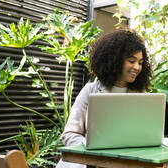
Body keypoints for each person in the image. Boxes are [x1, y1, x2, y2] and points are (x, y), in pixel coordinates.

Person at [56, 29, 152, 168]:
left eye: (141, 63)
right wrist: (93, 151)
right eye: (131, 61)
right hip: (88, 164)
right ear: (115, 60)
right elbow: (70, 134)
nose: (137, 67)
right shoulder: (90, 90)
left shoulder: (141, 97)